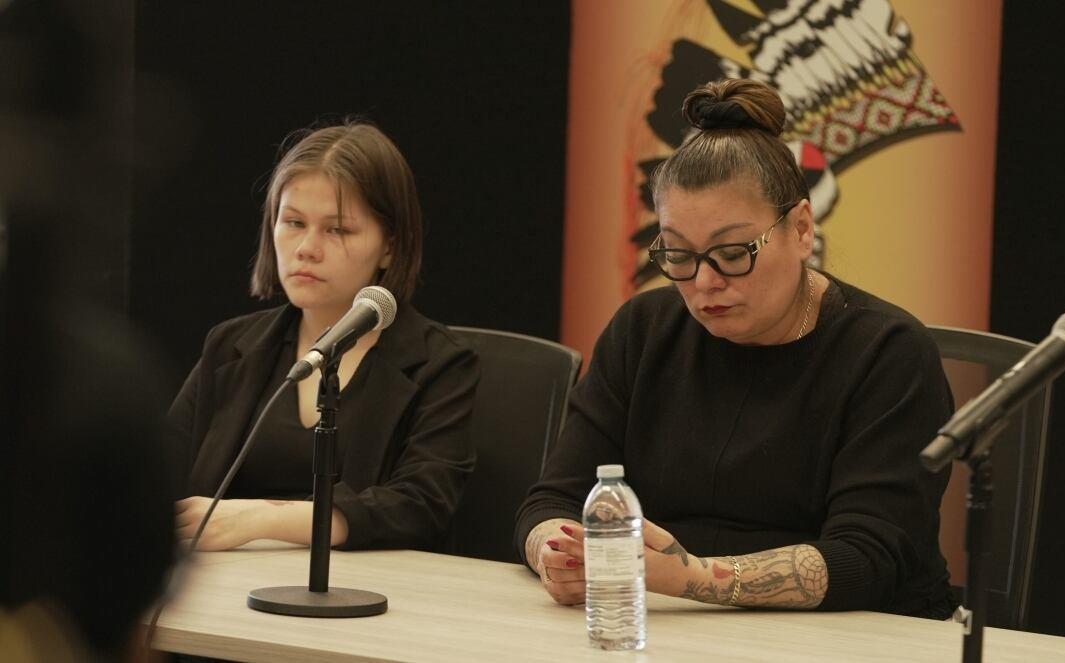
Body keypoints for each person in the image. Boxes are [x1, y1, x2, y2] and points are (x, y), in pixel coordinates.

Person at [514, 79, 955, 618]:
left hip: (853, 637)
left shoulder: (886, 353)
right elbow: (553, 500)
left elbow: (868, 557)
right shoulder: (644, 330)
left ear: (801, 229)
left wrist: (691, 577)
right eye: (678, 255)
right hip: (670, 629)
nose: (705, 282)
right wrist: (557, 554)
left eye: (731, 253)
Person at [167, 121, 479, 551]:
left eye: (337, 230)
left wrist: (261, 519)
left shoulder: (441, 363)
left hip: (369, 585)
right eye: (293, 222)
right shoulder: (229, 346)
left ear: (390, 246)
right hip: (226, 580)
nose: (307, 248)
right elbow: (154, 476)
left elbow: (420, 506)